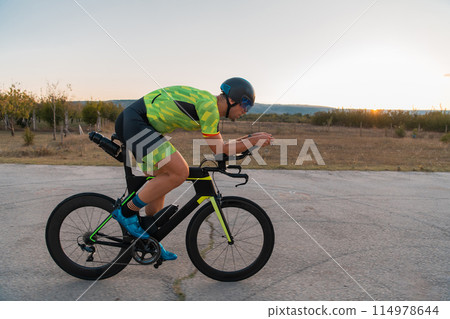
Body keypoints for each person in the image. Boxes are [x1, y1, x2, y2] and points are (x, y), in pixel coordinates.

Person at [113, 77, 273, 260]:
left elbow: (221, 146)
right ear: (232, 99)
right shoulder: (209, 108)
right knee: (180, 172)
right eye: (245, 105)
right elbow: (220, 150)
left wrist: (251, 137)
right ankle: (127, 212)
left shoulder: (210, 107)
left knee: (161, 182)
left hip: (137, 123)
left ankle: (148, 240)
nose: (245, 111)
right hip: (136, 122)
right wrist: (252, 140)